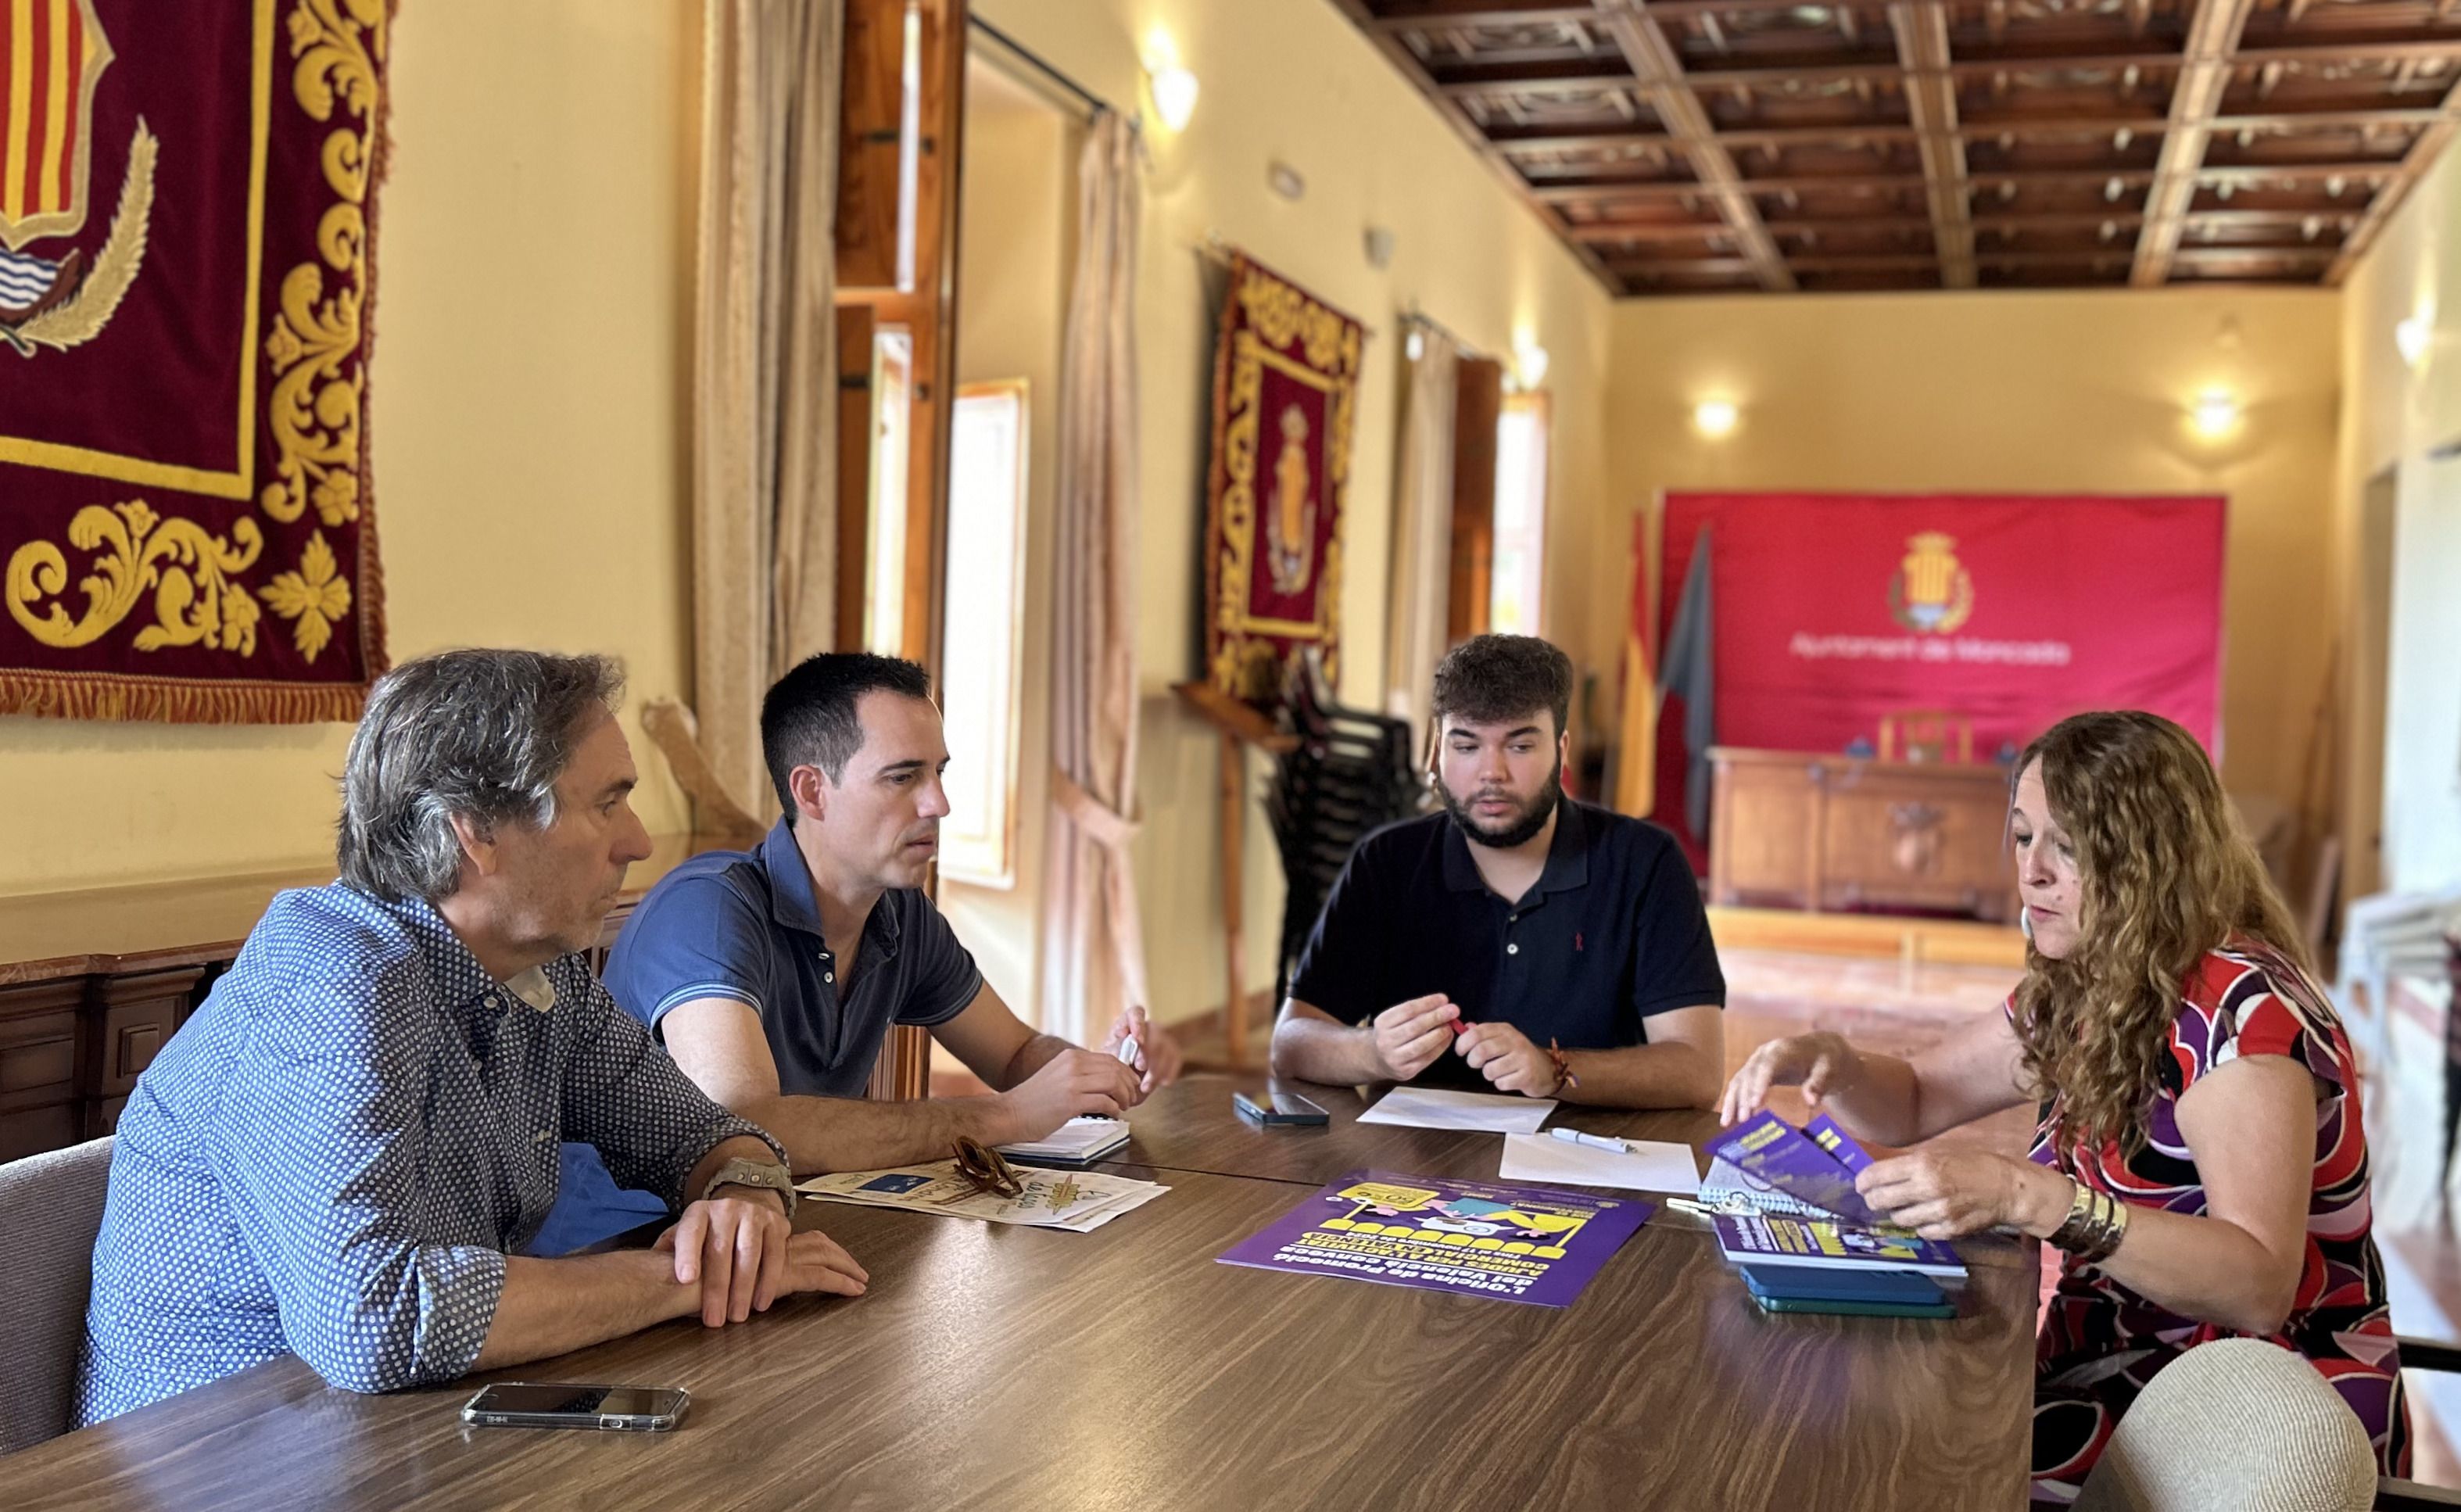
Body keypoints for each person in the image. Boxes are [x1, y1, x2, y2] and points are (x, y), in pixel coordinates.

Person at [77, 650, 867, 1425]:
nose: (638, 842)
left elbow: (703, 1134)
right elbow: (377, 1317)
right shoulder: (335, 981)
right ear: (477, 830)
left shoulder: (541, 975)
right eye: (607, 804)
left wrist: (743, 1203)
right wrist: (687, 1279)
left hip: (394, 1429)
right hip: (211, 1453)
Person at [1719, 710, 2409, 1504]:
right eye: (2023, 836)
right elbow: (1916, 1097)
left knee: (1881, 1468)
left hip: (2247, 1423)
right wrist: (1835, 1064)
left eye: (2069, 845)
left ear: (2148, 856)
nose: (2033, 870)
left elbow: (2256, 1286)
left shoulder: (2240, 1011)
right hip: (2113, 1376)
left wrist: (2030, 1196)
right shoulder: (2099, 975)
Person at [581, 652, 1180, 1192]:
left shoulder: (898, 911)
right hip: (634, 1244)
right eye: (902, 777)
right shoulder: (706, 908)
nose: (938, 804)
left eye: (939, 772)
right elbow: (746, 1125)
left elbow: (1016, 1052)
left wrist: (1093, 1074)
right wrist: (1005, 1116)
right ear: (812, 792)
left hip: (786, 1222)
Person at [1269, 633, 1725, 1109]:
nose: (1492, 773)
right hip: (1415, 1149)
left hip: (1594, 1145)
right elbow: (1290, 1045)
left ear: (1562, 750)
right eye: (1466, 746)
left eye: (1520, 746)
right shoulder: (1386, 862)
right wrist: (1373, 1053)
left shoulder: (1646, 863)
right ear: (1437, 753)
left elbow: (1697, 1072)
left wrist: (1554, 1070)